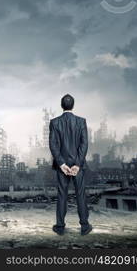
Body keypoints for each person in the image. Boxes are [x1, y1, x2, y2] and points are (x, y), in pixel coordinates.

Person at [49, 94, 92, 236]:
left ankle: (60, 227)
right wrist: (78, 164)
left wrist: (61, 164)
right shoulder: (81, 121)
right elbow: (84, 144)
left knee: (62, 195)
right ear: (73, 105)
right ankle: (85, 227)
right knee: (80, 194)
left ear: (62, 106)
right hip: (77, 166)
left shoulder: (54, 122)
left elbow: (53, 145)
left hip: (63, 167)